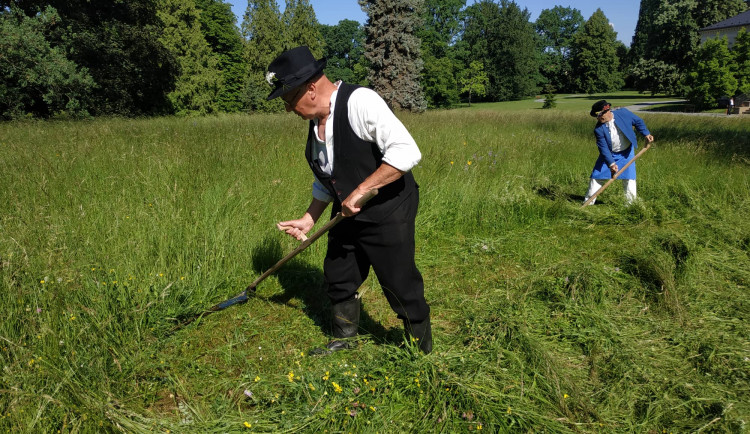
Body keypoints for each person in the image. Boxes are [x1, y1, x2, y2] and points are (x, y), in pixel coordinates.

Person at [265, 46, 432, 354]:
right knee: (338, 273)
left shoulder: (360, 102)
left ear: (311, 89)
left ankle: (419, 353)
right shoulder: (316, 123)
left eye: (289, 100)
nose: (289, 109)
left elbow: (407, 152)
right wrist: (310, 217)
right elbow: (327, 178)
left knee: (399, 281)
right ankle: (345, 339)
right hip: (346, 212)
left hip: (388, 208)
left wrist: (360, 190)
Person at [585, 100, 654, 205]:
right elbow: (603, 148)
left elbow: (638, 121)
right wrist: (611, 163)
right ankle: (588, 203)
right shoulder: (598, 129)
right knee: (596, 177)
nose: (598, 119)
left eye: (599, 116)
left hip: (627, 153)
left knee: (629, 178)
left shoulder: (623, 113)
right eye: (597, 117)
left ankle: (630, 205)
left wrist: (646, 133)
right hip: (609, 154)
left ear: (606, 111)